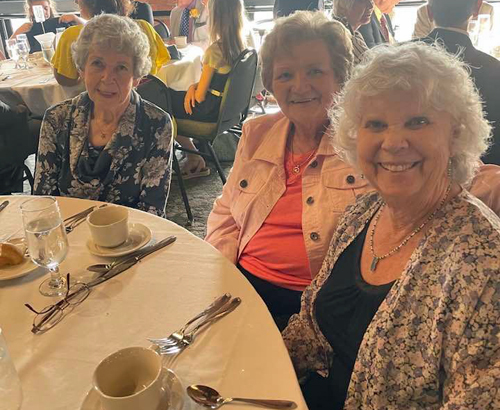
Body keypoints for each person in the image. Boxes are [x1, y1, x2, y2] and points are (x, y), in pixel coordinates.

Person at [283, 42, 500, 410]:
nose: (394, 142)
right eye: (376, 124)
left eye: (418, 121)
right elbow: (310, 329)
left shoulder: (483, 262)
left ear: (455, 134)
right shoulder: (362, 213)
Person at [206, 11, 370, 328]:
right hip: (243, 287)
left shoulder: (363, 141)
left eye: (315, 71)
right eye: (285, 75)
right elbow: (225, 212)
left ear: (340, 77)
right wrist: (224, 276)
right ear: (270, 83)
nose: (300, 86)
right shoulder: (256, 134)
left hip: (319, 307)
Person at [34, 14, 173, 217]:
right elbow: (43, 205)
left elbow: (152, 212)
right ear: (82, 70)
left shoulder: (156, 124)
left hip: (128, 241)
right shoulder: (57, 119)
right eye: (97, 64)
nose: (108, 78)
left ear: (136, 78)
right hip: (67, 239)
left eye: (121, 67)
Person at [414, 0, 500, 165]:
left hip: (412, 169)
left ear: (428, 12)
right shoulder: (494, 69)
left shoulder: (400, 61)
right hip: (479, 176)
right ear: (477, 9)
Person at [169, 0, 247, 179]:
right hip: (228, 110)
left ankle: (193, 156)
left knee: (163, 104)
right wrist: (193, 86)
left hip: (209, 111)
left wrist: (193, 88)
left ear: (216, 18)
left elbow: (200, 96)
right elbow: (216, 81)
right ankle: (193, 157)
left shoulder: (214, 51)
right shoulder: (240, 46)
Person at [51, 0, 169, 86]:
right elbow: (156, 66)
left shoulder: (74, 34)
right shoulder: (144, 27)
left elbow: (65, 80)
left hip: (91, 109)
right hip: (154, 103)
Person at [412, 0, 494, 39]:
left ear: (429, 11)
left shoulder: (408, 58)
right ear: (478, 7)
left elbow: (419, 44)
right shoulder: (493, 66)